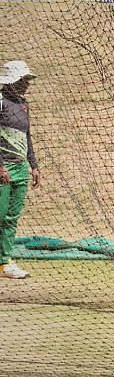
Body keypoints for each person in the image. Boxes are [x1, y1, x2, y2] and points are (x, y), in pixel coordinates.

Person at [0, 61, 41, 279]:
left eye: (27, 80)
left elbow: (27, 137)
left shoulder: (23, 104)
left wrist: (33, 165)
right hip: (3, 168)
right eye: (23, 80)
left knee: (11, 217)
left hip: (20, 168)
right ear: (11, 81)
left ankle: (4, 262)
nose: (26, 85)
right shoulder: (0, 101)